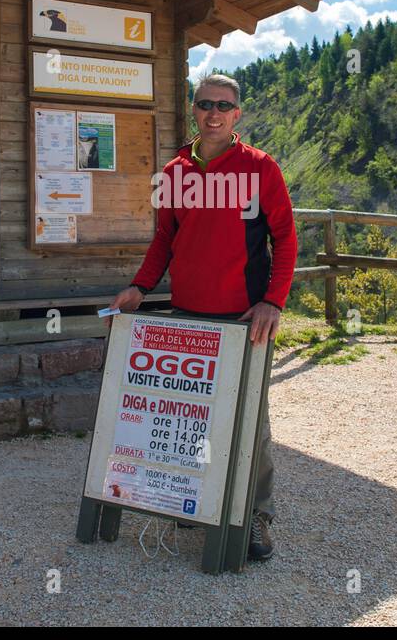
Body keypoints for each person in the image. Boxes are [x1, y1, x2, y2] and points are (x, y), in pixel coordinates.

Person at [107, 74, 297, 561]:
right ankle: (197, 501)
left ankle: (256, 515)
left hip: (243, 317)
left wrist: (273, 301)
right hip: (185, 316)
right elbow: (164, 242)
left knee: (251, 421)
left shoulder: (260, 168)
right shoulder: (174, 173)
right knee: (190, 415)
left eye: (224, 105)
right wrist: (139, 287)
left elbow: (286, 239)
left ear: (237, 115)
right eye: (205, 104)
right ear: (194, 110)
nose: (214, 113)